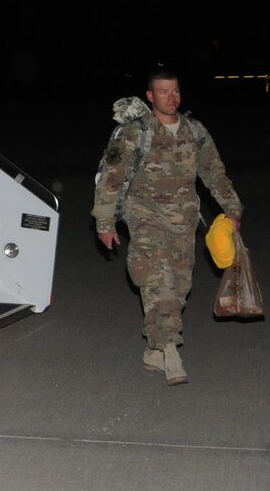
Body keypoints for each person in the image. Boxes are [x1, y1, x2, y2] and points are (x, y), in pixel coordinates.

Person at [93, 68, 244, 386]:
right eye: (163, 92)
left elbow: (214, 172)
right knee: (157, 282)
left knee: (179, 287)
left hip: (185, 221)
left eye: (175, 91)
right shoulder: (135, 133)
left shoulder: (195, 131)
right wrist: (105, 223)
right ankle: (172, 352)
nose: (171, 97)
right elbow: (112, 178)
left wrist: (232, 208)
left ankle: (154, 348)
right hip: (145, 217)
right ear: (150, 96)